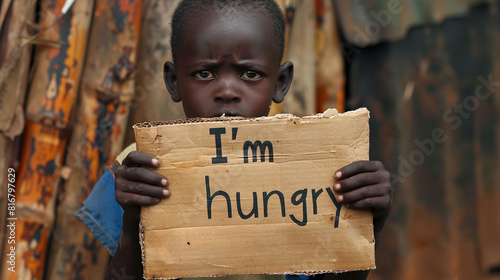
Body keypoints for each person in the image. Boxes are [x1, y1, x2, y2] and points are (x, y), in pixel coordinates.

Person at [76, 1, 392, 279]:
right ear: (174, 82)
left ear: (280, 83)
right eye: (204, 74)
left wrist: (365, 220)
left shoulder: (310, 169)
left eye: (250, 74)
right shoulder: (141, 170)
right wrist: (134, 220)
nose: (227, 91)